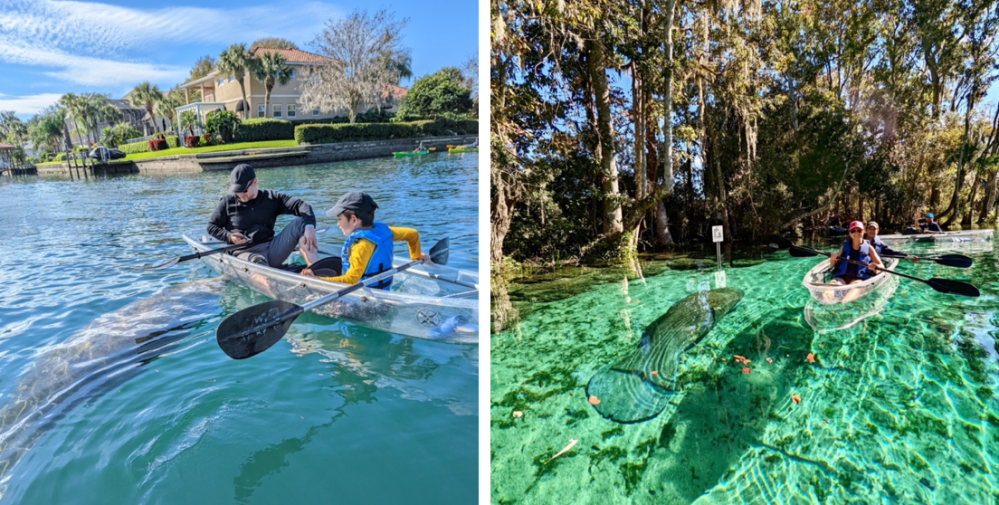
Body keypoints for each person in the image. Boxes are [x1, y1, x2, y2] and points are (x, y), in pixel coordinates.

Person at [301, 192, 430, 289]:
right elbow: (412, 234)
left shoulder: (361, 246)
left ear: (354, 219)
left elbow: (350, 280)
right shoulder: (384, 231)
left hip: (364, 301)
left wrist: (316, 279)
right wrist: (416, 256)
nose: (338, 224)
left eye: (339, 219)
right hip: (384, 291)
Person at [207, 164, 319, 267]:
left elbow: (302, 206)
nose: (241, 195)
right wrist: (229, 237)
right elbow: (211, 227)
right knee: (257, 263)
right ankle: (269, 283)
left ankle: (316, 272)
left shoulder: (271, 198)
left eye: (244, 190)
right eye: (237, 191)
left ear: (255, 182)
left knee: (302, 223)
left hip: (272, 249)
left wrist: (309, 228)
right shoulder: (227, 203)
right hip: (245, 252)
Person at [827, 221, 885, 303]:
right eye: (853, 231)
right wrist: (832, 259)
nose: (856, 233)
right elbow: (833, 265)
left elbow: (881, 266)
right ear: (850, 233)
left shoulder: (869, 248)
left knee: (845, 301)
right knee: (827, 295)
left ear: (863, 231)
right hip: (841, 278)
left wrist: (875, 267)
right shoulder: (844, 247)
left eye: (859, 230)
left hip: (857, 280)